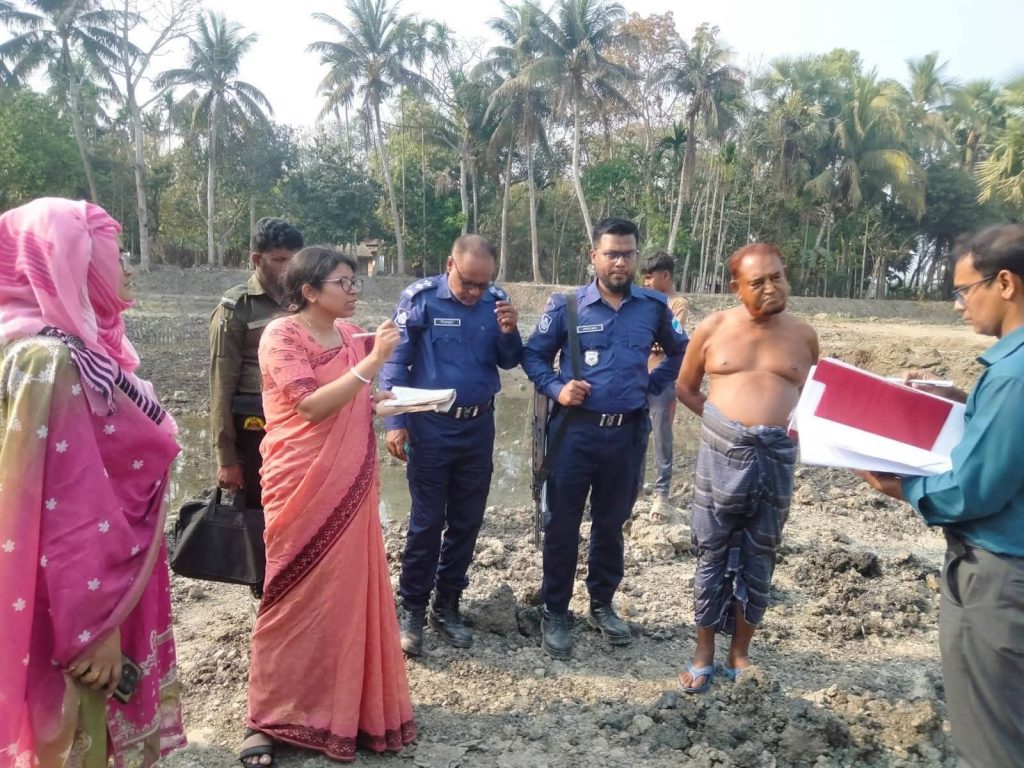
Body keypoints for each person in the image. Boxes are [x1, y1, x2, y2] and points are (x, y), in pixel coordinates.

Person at [0, 198, 185, 767]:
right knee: (76, 731)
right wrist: (94, 628)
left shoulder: (90, 348)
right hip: (73, 597)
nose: (127, 267)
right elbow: (65, 506)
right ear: (70, 259)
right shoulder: (45, 359)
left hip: (104, 577)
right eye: (113, 251)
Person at [859, 225, 1024, 768]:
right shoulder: (1004, 373)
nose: (958, 306)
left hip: (1000, 575)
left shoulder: (1014, 376)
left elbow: (974, 488)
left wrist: (902, 485)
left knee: (992, 737)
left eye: (962, 290)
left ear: (1004, 283)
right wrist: (965, 402)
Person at [240, 246, 411, 765]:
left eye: (355, 281)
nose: (354, 290)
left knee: (346, 596)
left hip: (350, 481)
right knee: (288, 597)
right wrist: (376, 362)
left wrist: (383, 399)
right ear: (310, 291)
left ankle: (347, 709)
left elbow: (349, 397)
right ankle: (266, 718)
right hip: (299, 482)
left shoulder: (344, 336)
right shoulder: (281, 334)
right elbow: (310, 406)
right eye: (344, 282)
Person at [522, 217, 688, 659]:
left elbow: (681, 351)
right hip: (574, 434)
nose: (620, 261)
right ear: (593, 256)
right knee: (562, 525)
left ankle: (601, 603)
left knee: (611, 525)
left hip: (626, 436)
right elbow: (533, 356)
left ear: (637, 257)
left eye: (628, 254)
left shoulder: (653, 307)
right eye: (611, 253)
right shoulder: (567, 306)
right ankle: (555, 610)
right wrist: (558, 387)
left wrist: (650, 389)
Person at [675, 243, 818, 694]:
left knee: (759, 558)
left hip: (775, 461)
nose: (771, 288)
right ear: (737, 288)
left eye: (777, 277)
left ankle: (740, 654)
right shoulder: (712, 329)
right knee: (711, 555)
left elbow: (815, 403)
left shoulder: (804, 336)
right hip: (721, 458)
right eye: (758, 282)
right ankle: (703, 656)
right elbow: (686, 388)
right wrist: (726, 432)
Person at [380, 234, 522, 657]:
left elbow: (509, 360)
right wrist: (395, 421)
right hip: (430, 427)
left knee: (467, 521)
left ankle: (448, 605)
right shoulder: (421, 300)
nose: (475, 292)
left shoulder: (495, 302)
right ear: (449, 266)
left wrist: (511, 332)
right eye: (468, 283)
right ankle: (413, 609)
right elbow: (395, 361)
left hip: (478, 427)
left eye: (483, 284)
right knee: (426, 522)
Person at [209, 217, 303, 513]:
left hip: (299, 426)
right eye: (279, 260)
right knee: (258, 514)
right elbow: (221, 385)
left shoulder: (306, 300)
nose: (289, 268)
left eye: (294, 260)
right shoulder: (236, 308)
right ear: (256, 260)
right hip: (255, 428)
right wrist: (226, 458)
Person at [640, 252, 690, 521]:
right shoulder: (643, 303)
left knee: (662, 439)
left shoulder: (677, 304)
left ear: (666, 276)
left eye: (651, 277)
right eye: (645, 277)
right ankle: (635, 491)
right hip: (638, 380)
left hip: (663, 381)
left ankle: (661, 495)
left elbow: (671, 338)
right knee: (635, 436)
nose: (647, 282)